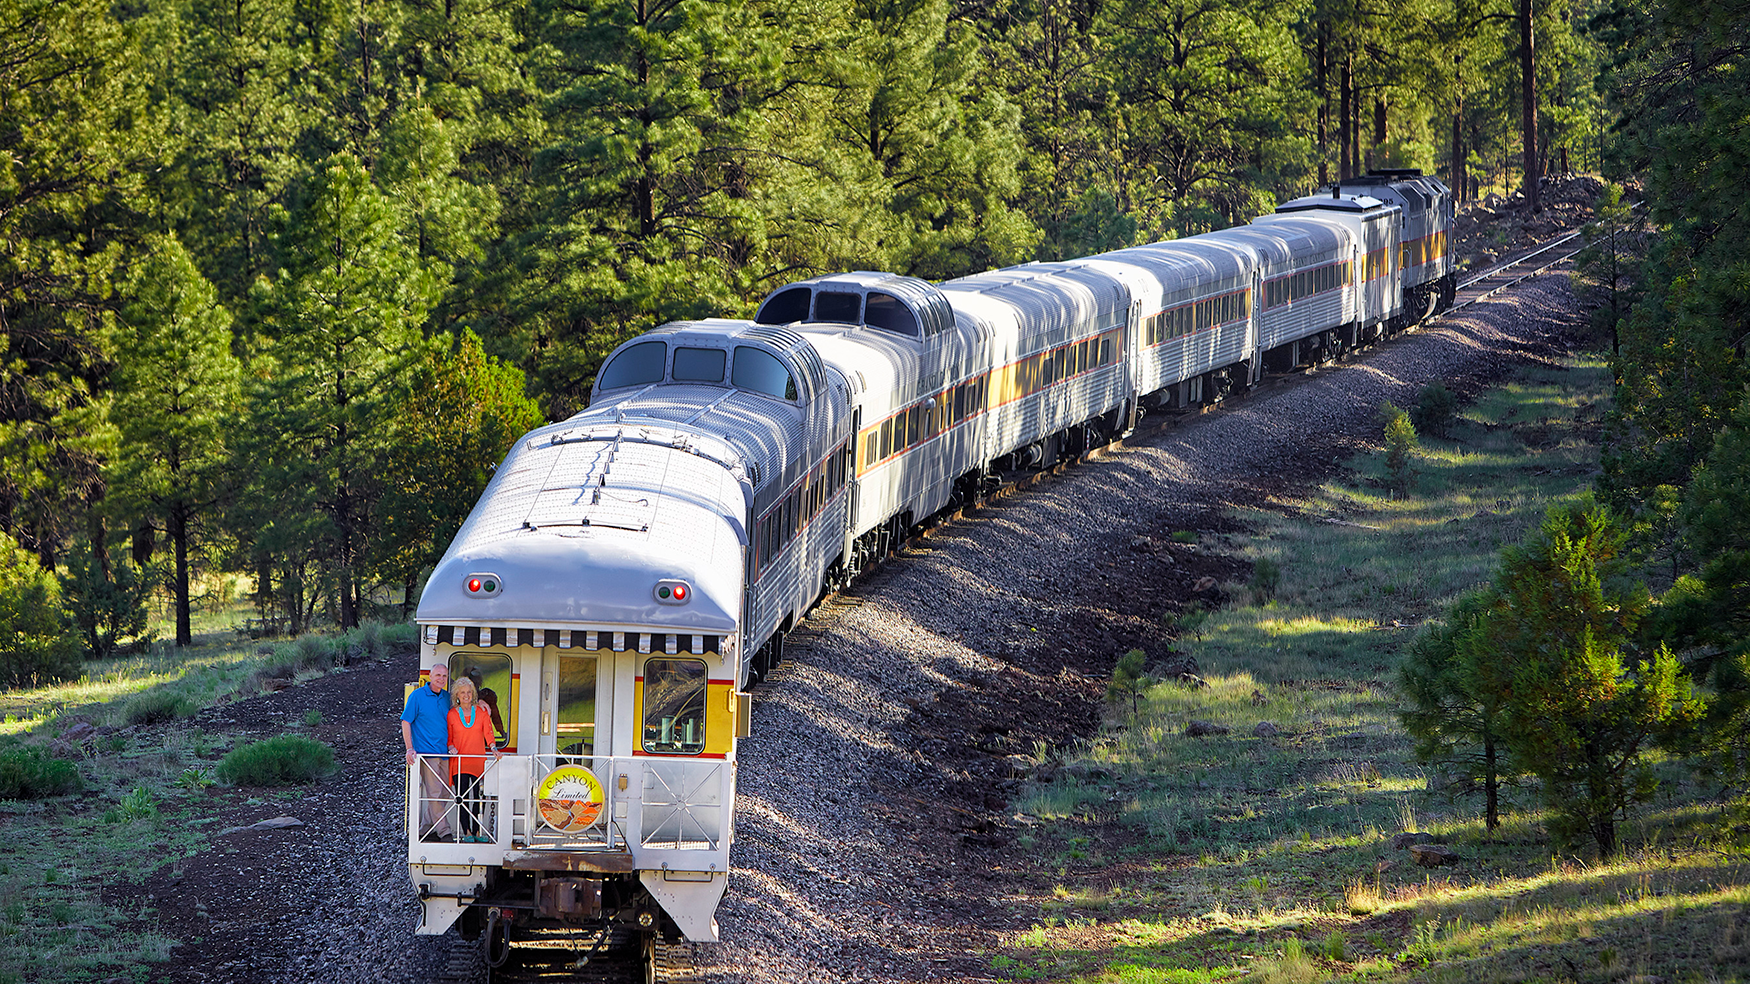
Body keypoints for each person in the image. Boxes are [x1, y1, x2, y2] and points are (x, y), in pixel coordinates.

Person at [402, 663, 454, 842]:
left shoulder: (448, 697)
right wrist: (410, 748)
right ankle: (444, 832)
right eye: (438, 675)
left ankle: (425, 828)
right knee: (434, 792)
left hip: (445, 753)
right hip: (427, 753)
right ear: (430, 676)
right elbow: (406, 722)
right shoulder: (417, 696)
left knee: (446, 792)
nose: (441, 679)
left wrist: (482, 703)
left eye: (444, 676)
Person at [447, 676, 502, 843]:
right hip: (460, 762)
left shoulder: (481, 712)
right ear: (456, 695)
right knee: (462, 798)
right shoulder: (451, 715)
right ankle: (467, 832)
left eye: (469, 692)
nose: (466, 695)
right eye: (462, 692)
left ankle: (478, 831)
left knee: (479, 798)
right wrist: (450, 747)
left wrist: (493, 748)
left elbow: (488, 733)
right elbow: (448, 738)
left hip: (478, 761)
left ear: (473, 694)